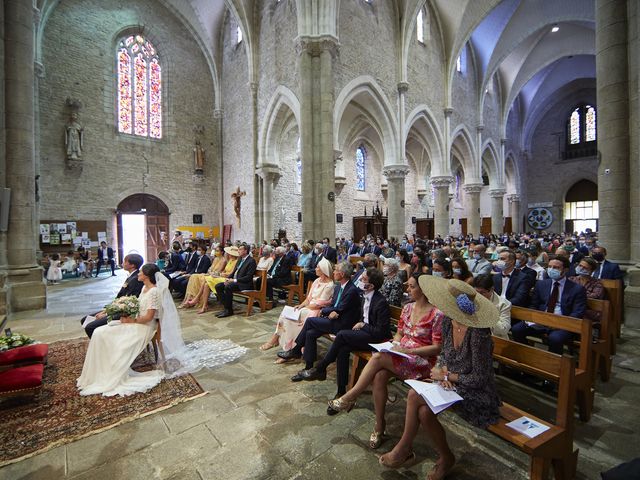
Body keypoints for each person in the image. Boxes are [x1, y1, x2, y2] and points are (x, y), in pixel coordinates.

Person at [376, 278, 501, 479]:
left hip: (476, 393)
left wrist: (447, 375)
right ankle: (446, 457)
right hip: (450, 384)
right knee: (424, 413)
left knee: (414, 395)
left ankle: (404, 447)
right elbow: (444, 354)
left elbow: (479, 378)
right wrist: (441, 369)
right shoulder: (447, 322)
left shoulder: (479, 334)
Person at [77, 263, 246, 396]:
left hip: (143, 326)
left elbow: (149, 318)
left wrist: (131, 320)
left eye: (141, 272)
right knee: (100, 332)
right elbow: (139, 307)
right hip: (136, 321)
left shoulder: (154, 292)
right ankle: (106, 365)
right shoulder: (144, 288)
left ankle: (112, 367)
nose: (139, 274)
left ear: (147, 275)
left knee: (101, 332)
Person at [326, 273, 444, 450]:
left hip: (421, 360)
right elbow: (399, 333)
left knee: (378, 357)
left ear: (424, 290)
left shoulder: (437, 314)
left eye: (412, 286)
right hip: (401, 355)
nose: (408, 289)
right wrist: (395, 344)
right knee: (380, 376)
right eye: (408, 286)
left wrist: (408, 350)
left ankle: (351, 396)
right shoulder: (408, 308)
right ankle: (379, 426)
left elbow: (436, 348)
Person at [291, 268, 392, 399]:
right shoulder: (364, 296)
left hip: (376, 340)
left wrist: (363, 325)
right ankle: (341, 390)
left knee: (342, 335)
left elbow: (380, 332)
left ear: (371, 285)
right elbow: (359, 316)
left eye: (363, 279)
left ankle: (321, 367)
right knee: (342, 350)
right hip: (363, 333)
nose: (360, 280)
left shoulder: (381, 302)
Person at [277, 261, 360, 365]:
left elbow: (340, 308)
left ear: (342, 274)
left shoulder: (351, 290)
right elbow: (334, 305)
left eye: (335, 270)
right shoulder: (339, 286)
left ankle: (296, 350)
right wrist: (329, 311)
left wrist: (323, 311)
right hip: (333, 318)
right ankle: (308, 365)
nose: (333, 272)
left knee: (310, 321)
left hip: (342, 324)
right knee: (310, 333)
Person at [511, 256, 587, 354]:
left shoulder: (577, 289)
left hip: (562, 323)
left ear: (566, 270)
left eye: (556, 267)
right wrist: (535, 317)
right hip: (541, 320)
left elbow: (578, 312)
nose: (551, 269)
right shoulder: (541, 284)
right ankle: (526, 356)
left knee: (555, 338)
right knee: (517, 329)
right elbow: (533, 304)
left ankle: (554, 365)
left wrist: (561, 323)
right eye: (550, 266)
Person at [260, 258, 335, 355]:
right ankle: (278, 340)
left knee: (292, 319)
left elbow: (319, 304)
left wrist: (304, 308)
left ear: (323, 270)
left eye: (317, 267)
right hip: (308, 307)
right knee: (285, 314)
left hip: (316, 311)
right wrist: (301, 305)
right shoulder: (317, 280)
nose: (315, 269)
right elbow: (308, 298)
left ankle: (290, 348)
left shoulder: (329, 285)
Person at [80, 254, 145, 338]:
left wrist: (107, 313)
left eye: (125, 261)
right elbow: (120, 297)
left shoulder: (136, 279)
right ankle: (99, 341)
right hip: (118, 306)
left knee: (90, 327)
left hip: (124, 311)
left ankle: (102, 345)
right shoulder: (132, 276)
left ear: (132, 265)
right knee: (85, 319)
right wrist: (106, 310)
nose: (123, 263)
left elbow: (128, 301)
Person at [186, 246, 238, 313]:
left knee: (206, 279)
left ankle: (197, 298)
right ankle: (204, 306)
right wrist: (218, 274)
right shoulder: (230, 261)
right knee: (206, 285)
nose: (228, 254)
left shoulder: (236, 262)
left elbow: (231, 273)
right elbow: (223, 271)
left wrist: (220, 274)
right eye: (228, 253)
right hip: (221, 276)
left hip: (226, 278)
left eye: (230, 253)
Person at [215, 243, 257, 318]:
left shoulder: (251, 261)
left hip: (244, 284)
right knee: (218, 286)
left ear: (245, 251)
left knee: (228, 287)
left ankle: (229, 310)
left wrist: (234, 280)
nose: (238, 251)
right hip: (235, 282)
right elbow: (234, 271)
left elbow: (248, 277)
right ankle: (226, 308)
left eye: (240, 249)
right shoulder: (240, 259)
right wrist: (228, 278)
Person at [569, 256, 605, 328]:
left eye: (585, 268)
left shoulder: (597, 283)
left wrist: (576, 295)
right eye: (580, 265)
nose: (581, 268)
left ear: (591, 271)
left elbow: (596, 296)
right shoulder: (571, 279)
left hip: (588, 309)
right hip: (571, 307)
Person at [473, 274, 511, 338]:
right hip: (475, 335)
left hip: (494, 338)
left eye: (482, 293)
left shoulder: (503, 304)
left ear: (492, 289)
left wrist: (485, 316)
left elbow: (504, 329)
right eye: (477, 292)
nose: (478, 296)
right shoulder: (472, 298)